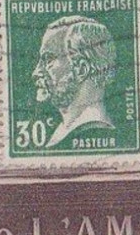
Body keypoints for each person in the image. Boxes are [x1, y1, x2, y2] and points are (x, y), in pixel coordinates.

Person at [32, 15, 116, 148]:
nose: (36, 73)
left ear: (82, 69)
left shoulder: (94, 130)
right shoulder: (61, 133)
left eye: (48, 60)